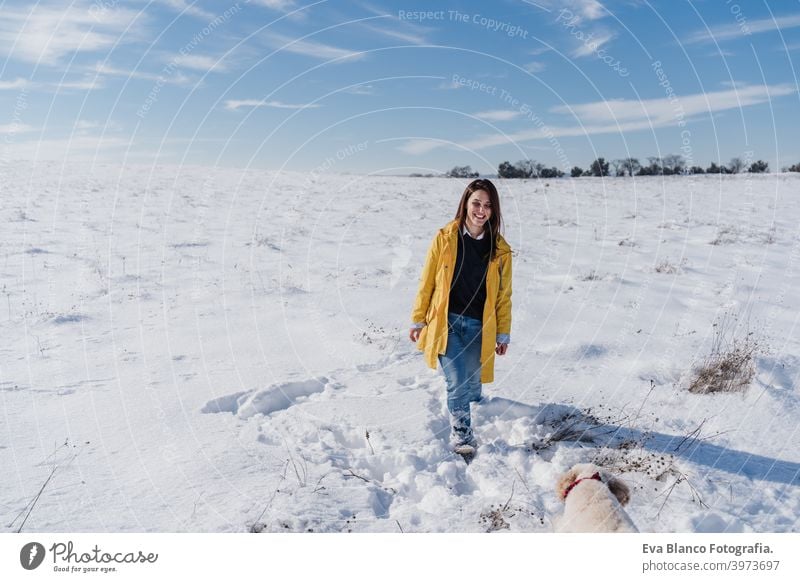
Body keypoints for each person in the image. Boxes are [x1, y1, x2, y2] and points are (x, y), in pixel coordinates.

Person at [409, 178, 512, 454]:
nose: (481, 210)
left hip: (480, 326)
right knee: (455, 380)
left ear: (494, 210)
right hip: (448, 324)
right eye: (476, 203)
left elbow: (503, 295)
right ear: (465, 204)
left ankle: (474, 400)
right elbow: (427, 281)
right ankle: (463, 435)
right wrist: (419, 319)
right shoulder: (444, 238)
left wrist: (503, 332)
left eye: (488, 205)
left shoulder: (500, 250)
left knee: (471, 380)